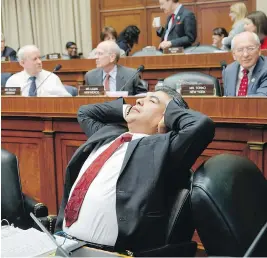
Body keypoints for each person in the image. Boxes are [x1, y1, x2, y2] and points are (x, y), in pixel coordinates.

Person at [55, 85, 215, 253]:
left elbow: (201, 125)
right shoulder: (107, 134)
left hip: (108, 252)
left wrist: (170, 115)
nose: (138, 100)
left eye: (152, 101)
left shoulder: (162, 149)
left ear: (165, 117)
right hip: (63, 241)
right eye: (142, 98)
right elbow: (85, 112)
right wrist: (127, 109)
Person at [5, 45, 71, 97]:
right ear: (22, 63)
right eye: (35, 59)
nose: (39, 62)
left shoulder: (52, 78)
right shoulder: (13, 81)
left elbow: (67, 99)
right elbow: (9, 103)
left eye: (39, 58)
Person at [223, 31, 267, 97]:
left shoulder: (265, 69)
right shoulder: (228, 71)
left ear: (259, 50)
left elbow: (262, 99)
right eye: (240, 50)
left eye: (250, 48)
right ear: (233, 54)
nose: (245, 54)